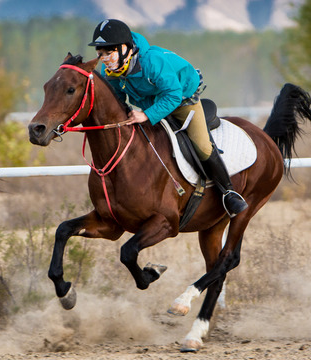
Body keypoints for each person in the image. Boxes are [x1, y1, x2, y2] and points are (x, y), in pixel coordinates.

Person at [88, 19, 248, 217]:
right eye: (100, 53)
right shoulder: (110, 71)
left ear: (125, 48)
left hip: (181, 98)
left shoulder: (153, 62)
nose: (104, 58)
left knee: (202, 145)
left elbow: (172, 95)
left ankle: (229, 193)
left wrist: (146, 115)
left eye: (108, 52)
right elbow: (119, 101)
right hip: (151, 102)